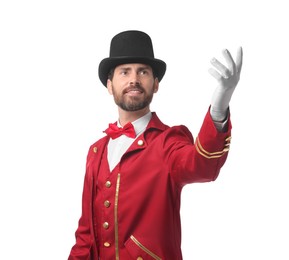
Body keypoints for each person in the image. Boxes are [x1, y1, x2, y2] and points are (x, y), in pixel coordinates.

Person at [68, 30, 243, 260]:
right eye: (124, 72)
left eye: (143, 71)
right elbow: (86, 236)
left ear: (156, 84)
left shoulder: (168, 141)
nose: (134, 79)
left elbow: (202, 165)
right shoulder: (96, 151)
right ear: (110, 86)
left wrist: (220, 105)